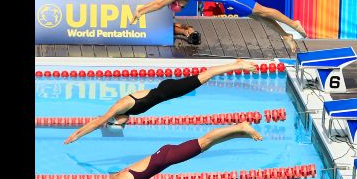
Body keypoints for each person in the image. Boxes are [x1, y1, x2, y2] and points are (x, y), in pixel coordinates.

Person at [65, 122, 262, 179]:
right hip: (165, 156)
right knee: (207, 144)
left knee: (205, 140)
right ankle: (239, 132)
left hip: (167, 156)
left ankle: (240, 127)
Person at [63, 59, 258, 144]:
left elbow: (98, 122)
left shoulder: (120, 107)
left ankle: (237, 65)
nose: (125, 124)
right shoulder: (123, 112)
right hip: (166, 91)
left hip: (167, 90)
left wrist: (76, 135)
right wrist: (80, 133)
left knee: (204, 77)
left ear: (116, 120)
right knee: (202, 78)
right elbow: (99, 123)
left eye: (121, 125)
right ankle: (235, 65)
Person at [131, 0, 307, 53]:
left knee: (263, 11)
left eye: (181, 7)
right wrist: (141, 10)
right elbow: (160, 2)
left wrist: (140, 11)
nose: (183, 7)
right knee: (260, 18)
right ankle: (286, 35)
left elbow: (159, 3)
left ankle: (293, 24)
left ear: (177, 3)